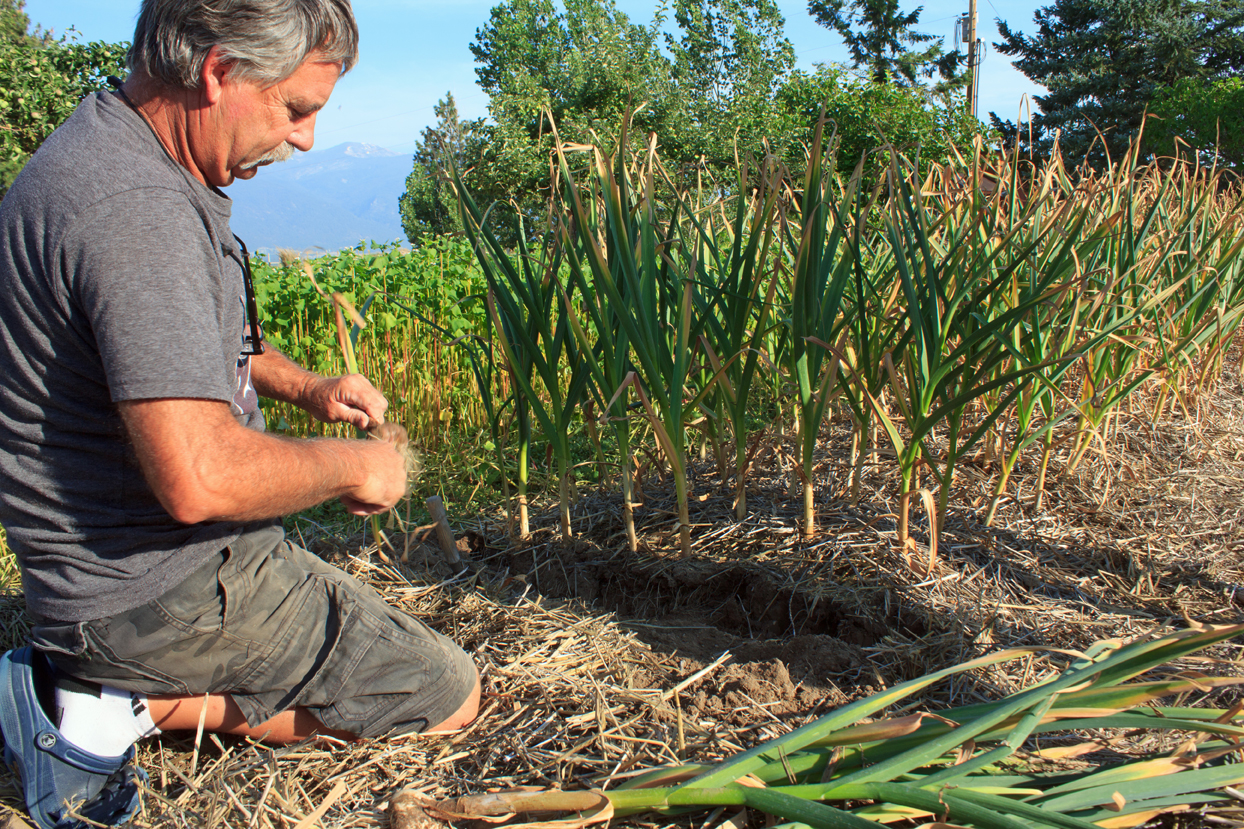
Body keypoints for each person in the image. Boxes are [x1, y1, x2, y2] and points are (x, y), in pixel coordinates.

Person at [0, 2, 480, 827]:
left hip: (113, 571)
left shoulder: (116, 149)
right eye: (296, 109)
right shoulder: (135, 209)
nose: (305, 141)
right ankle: (104, 702)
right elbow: (201, 475)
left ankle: (103, 685)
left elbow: (165, 341)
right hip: (151, 592)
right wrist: (355, 466)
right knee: (443, 692)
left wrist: (306, 386)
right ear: (219, 72)